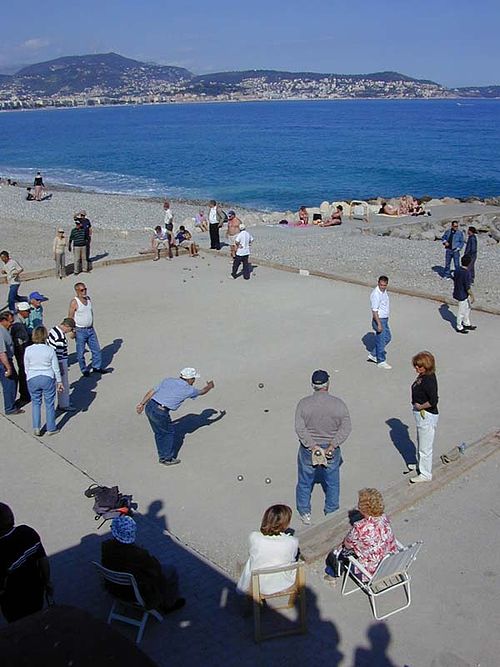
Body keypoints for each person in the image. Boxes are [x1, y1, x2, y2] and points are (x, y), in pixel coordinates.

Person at [294, 369, 352, 525]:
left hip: (308, 450)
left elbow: (300, 428)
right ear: (328, 384)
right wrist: (332, 446)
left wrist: (313, 447)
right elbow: (346, 428)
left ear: (313, 385)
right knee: (332, 481)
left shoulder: (303, 404)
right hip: (330, 449)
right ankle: (331, 512)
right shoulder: (338, 404)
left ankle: (305, 512)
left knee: (305, 481)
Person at [101, 515, 185, 614]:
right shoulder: (138, 555)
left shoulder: (106, 547)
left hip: (114, 588)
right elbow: (155, 569)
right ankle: (169, 604)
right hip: (137, 592)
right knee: (170, 570)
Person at [136, 367, 215, 466]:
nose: (194, 380)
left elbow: (152, 391)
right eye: (194, 378)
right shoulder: (189, 390)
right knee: (168, 433)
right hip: (161, 412)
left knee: (159, 432)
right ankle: (167, 458)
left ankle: (162, 454)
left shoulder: (168, 380)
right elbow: (202, 392)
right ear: (189, 379)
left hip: (150, 406)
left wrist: (142, 404)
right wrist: (209, 387)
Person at [327, 489, 398, 579]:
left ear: (362, 509)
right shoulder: (384, 518)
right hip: (391, 562)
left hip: (370, 572)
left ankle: (332, 574)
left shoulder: (360, 527)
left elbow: (347, 545)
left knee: (337, 552)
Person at [0, 503, 53, 623]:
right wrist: (47, 582)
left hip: (11, 600)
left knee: (18, 627)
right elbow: (43, 560)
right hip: (36, 590)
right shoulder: (27, 532)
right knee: (36, 619)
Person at [236, 505, 299, 595]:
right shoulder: (293, 541)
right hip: (284, 582)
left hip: (258, 583)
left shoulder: (254, 537)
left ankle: (246, 590)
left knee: (252, 559)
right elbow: (292, 558)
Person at [24, 326, 63, 436]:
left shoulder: (28, 349)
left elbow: (26, 367)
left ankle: (36, 427)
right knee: (49, 404)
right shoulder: (50, 350)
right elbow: (55, 367)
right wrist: (59, 382)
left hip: (32, 377)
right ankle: (51, 428)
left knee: (36, 403)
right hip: (47, 377)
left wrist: (29, 376)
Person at [68, 282, 111, 376]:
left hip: (90, 329)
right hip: (80, 330)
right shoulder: (74, 302)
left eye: (85, 289)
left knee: (96, 349)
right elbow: (70, 317)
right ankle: (84, 369)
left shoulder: (88, 299)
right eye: (82, 290)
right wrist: (72, 330)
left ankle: (96, 366)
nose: (84, 291)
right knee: (80, 352)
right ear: (77, 291)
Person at [409, 351, 439, 483]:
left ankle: (425, 473)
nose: (417, 368)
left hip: (426, 415)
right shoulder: (423, 376)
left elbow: (433, 401)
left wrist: (420, 407)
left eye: (420, 366)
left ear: (427, 366)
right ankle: (420, 465)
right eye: (416, 365)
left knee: (425, 447)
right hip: (420, 415)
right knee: (421, 441)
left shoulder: (429, 381)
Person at [48, 317, 77, 412]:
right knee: (63, 383)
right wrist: (60, 368)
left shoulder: (54, 329)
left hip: (53, 360)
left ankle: (63, 402)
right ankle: (64, 404)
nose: (71, 331)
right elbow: (59, 355)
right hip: (60, 361)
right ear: (67, 326)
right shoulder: (60, 337)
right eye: (71, 329)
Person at [0, 311, 24, 416]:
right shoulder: (0, 333)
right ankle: (10, 408)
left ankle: (11, 404)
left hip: (5, 361)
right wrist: (8, 368)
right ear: (3, 321)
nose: (12, 323)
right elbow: (2, 353)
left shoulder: (4, 329)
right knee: (10, 383)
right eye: (10, 321)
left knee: (13, 381)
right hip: (4, 362)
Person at [368, 275, 392, 369]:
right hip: (379, 319)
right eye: (381, 285)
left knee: (387, 337)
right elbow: (374, 311)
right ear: (378, 283)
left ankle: (374, 354)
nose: (382, 287)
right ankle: (381, 361)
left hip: (384, 319)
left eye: (384, 285)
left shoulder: (383, 291)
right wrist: (379, 324)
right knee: (381, 340)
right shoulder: (376, 295)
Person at [11, 302, 32, 406]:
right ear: (22, 312)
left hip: (22, 347)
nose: (29, 313)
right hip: (20, 348)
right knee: (23, 371)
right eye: (28, 311)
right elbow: (21, 337)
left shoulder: (20, 319)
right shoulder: (17, 323)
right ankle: (24, 395)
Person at [453, 255, 476, 334]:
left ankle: (466, 323)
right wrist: (472, 296)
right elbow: (467, 287)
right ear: (469, 263)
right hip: (462, 294)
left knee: (467, 308)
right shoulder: (466, 273)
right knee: (461, 311)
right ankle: (459, 326)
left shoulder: (457, 269)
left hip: (458, 291)